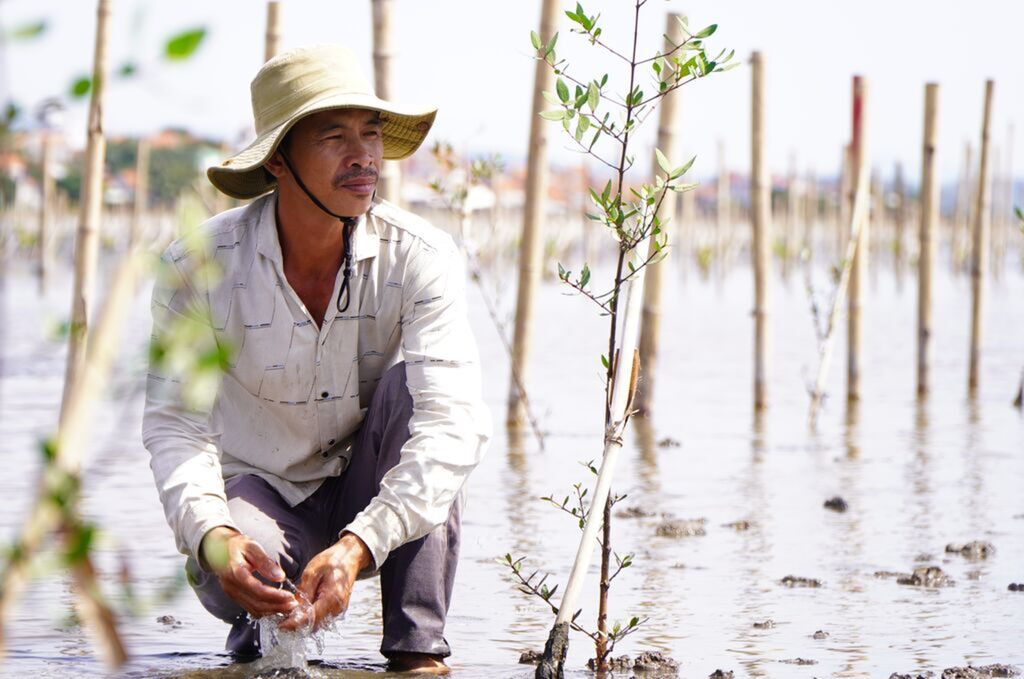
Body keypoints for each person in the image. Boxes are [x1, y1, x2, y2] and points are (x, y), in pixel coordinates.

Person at [142, 44, 490, 674]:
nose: (364, 157)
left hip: (370, 489)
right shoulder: (198, 265)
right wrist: (214, 535)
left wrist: (359, 545)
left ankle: (417, 656)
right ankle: (258, 641)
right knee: (234, 577)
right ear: (278, 160)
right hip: (263, 491)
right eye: (334, 137)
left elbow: (452, 428)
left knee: (419, 396)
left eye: (372, 133)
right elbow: (176, 426)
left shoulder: (421, 257)